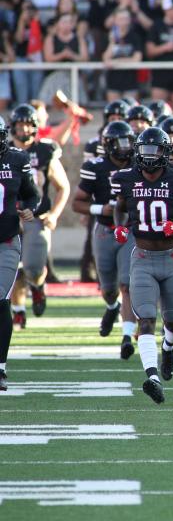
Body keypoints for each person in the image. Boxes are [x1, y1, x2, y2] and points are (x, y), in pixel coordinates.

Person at [112, 127, 173, 404]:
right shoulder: (126, 178)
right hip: (142, 258)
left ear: (165, 152)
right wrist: (119, 226)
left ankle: (169, 347)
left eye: (155, 151)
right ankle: (152, 376)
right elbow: (120, 206)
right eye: (145, 151)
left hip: (171, 258)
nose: (150, 157)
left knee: (172, 320)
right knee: (147, 320)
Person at [73, 120, 138, 358]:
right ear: (108, 144)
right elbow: (77, 202)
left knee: (127, 284)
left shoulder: (139, 165)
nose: (124, 147)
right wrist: (101, 209)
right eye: (120, 142)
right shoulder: (96, 166)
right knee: (109, 289)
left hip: (129, 230)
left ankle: (127, 336)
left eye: (128, 141)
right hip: (104, 229)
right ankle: (112, 307)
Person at [8, 104, 68, 327]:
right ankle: (18, 309)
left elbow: (63, 187)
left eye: (27, 124)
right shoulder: (5, 153)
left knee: (33, 268)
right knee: (11, 267)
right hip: (9, 217)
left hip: (36, 216)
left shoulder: (44, 151)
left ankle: (38, 285)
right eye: (20, 124)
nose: (23, 129)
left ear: (35, 127)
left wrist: (54, 214)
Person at [0, 116, 41, 391]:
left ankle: (0, 367)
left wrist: (29, 207)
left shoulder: (16, 158)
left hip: (6, 241)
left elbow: (32, 193)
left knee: (0, 297)